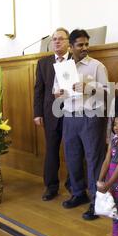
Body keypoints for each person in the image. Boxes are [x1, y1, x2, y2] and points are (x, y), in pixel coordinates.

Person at [55, 29, 109, 220]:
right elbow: (57, 91)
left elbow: (108, 92)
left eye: (87, 44)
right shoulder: (63, 67)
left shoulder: (97, 66)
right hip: (70, 116)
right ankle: (78, 193)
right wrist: (58, 92)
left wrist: (88, 88)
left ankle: (97, 202)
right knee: (72, 157)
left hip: (91, 117)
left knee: (94, 159)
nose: (85, 48)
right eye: (80, 45)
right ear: (71, 47)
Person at [34, 28, 72, 201]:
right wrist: (37, 113)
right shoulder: (43, 63)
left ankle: (73, 185)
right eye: (54, 39)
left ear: (68, 42)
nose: (57, 42)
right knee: (51, 150)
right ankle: (51, 186)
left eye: (61, 39)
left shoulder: (76, 60)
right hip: (50, 113)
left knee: (73, 150)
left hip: (72, 111)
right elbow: (39, 90)